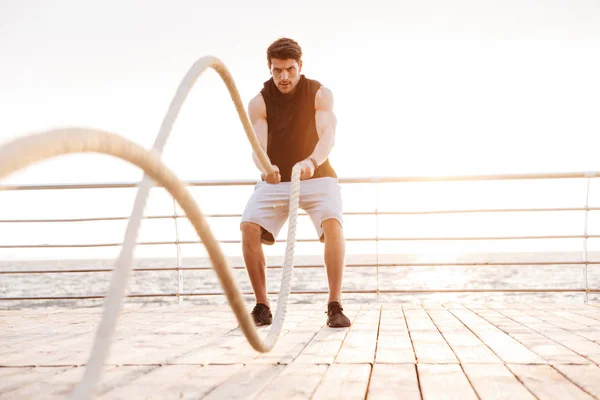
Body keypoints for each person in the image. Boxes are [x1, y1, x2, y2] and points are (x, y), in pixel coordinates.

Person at [240, 37, 351, 328]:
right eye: (277, 70)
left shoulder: (320, 94)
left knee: (332, 223)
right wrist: (266, 168)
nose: (284, 76)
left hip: (317, 174)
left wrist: (311, 161)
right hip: (277, 180)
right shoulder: (259, 103)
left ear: (300, 66)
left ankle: (335, 304)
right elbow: (258, 148)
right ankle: (262, 306)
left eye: (289, 69)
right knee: (248, 227)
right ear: (270, 69)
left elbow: (328, 136)